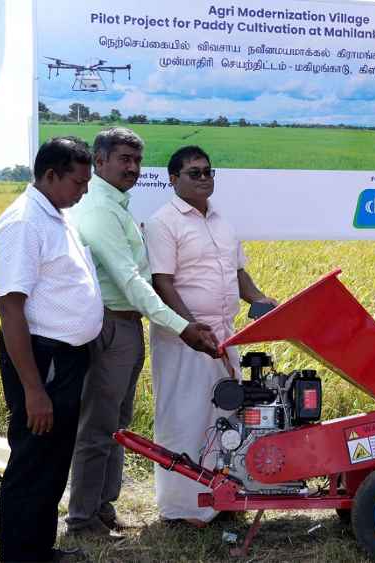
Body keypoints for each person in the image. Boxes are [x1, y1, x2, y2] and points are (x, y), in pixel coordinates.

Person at [66, 128, 218, 538]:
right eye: (123, 159)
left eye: (136, 160)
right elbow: (132, 281)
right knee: (99, 427)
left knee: (118, 422)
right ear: (99, 162)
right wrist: (182, 326)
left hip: (127, 326)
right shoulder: (99, 209)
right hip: (111, 325)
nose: (132, 167)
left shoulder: (116, 206)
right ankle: (81, 519)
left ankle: (102, 509)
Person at [144, 146, 276, 526]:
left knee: (225, 417)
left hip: (223, 335)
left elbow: (238, 274)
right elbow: (162, 282)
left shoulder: (221, 221)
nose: (204, 179)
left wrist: (259, 298)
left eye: (208, 172)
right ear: (173, 179)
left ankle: (222, 498)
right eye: (194, 173)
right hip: (185, 336)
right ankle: (183, 509)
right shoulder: (163, 223)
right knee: (185, 417)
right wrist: (189, 327)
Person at [0, 137, 103, 562]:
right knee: (34, 458)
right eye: (78, 181)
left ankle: (38, 548)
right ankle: (20, 556)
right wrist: (34, 390)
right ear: (51, 175)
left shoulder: (56, 215)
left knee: (53, 459)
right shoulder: (23, 223)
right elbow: (11, 308)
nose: (84, 190)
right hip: (42, 359)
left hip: (65, 359)